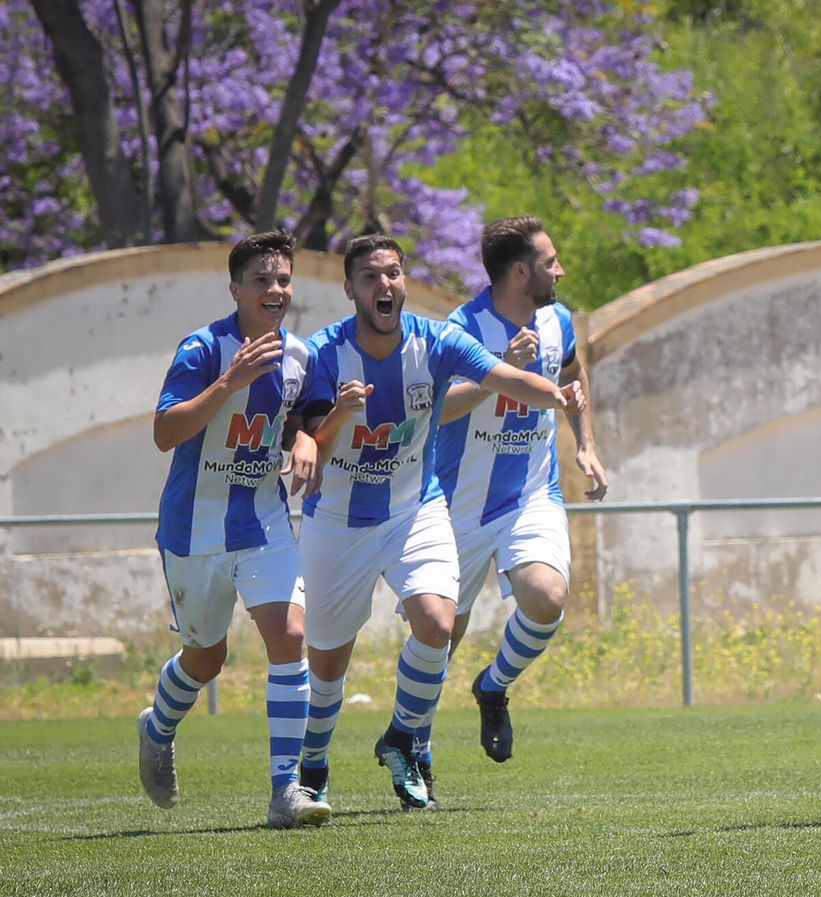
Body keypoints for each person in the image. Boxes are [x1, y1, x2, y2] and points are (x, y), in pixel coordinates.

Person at [294, 234, 584, 812]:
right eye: (372, 276)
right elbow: (310, 440)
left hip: (415, 509)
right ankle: (314, 764)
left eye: (394, 273)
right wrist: (329, 425)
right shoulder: (323, 353)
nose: (386, 285)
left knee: (437, 621)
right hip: (338, 520)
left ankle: (405, 739)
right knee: (328, 664)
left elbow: (503, 376)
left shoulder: (436, 338)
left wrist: (555, 394)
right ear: (350, 288)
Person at [138, 229, 331, 829]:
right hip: (193, 529)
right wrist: (229, 383)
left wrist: (303, 440)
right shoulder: (201, 349)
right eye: (261, 280)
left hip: (264, 520)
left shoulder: (301, 356)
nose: (275, 290)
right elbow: (165, 433)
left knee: (291, 634)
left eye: (282, 280)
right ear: (235, 289)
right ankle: (159, 724)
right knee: (206, 656)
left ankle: (285, 790)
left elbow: (307, 417)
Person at [429, 216, 607, 766]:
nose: (561, 270)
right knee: (436, 641)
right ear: (520, 271)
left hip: (532, 492)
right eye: (551, 262)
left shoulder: (558, 321)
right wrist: (499, 371)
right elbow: (438, 409)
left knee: (547, 597)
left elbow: (574, 381)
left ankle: (493, 686)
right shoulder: (462, 328)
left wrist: (586, 445)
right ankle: (410, 741)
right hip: (461, 501)